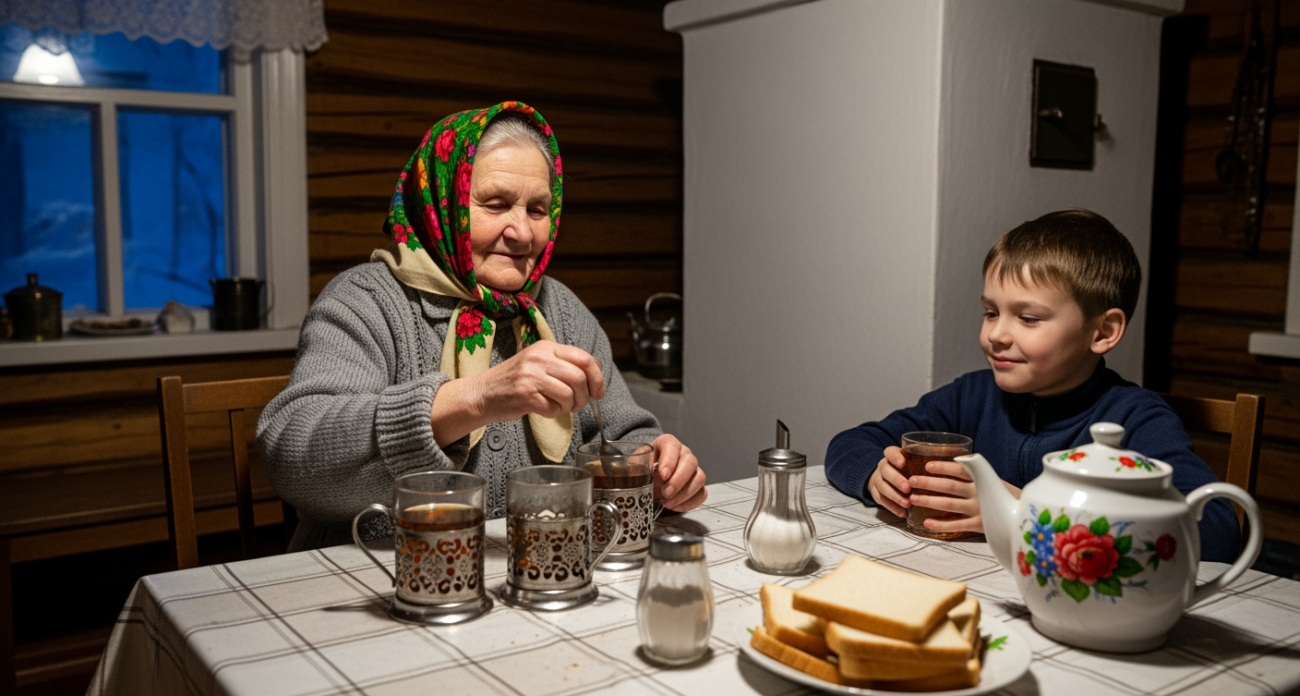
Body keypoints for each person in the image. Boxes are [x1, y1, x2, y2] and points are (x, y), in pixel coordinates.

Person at [258, 102, 707, 550]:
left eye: (537, 209)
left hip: (539, 572)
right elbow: (294, 458)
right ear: (440, 202)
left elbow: (626, 436)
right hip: (377, 579)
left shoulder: (560, 309)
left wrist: (661, 469)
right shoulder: (367, 300)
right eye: (496, 204)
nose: (523, 233)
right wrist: (478, 396)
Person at [824, 209, 1240, 562]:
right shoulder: (971, 397)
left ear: (1103, 331)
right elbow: (849, 443)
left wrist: (1028, 512)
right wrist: (876, 476)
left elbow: (1219, 530)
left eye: (1028, 318)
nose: (997, 335)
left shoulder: (1133, 418)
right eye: (991, 312)